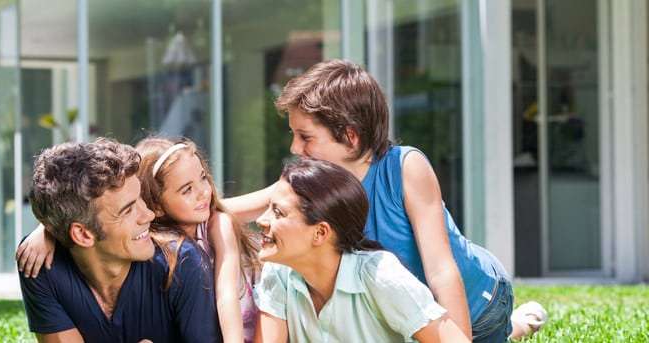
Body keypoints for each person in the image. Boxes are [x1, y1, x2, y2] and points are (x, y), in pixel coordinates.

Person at [225, 59, 546, 342]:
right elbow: (232, 209)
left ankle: (513, 325)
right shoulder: (313, 183)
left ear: (350, 137)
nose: (295, 148)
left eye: (306, 137)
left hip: (478, 302)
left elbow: (442, 270)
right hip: (406, 311)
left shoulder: (405, 168)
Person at [19, 137, 261, 343]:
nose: (148, 215)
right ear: (82, 234)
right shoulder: (39, 262)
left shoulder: (185, 260)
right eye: (127, 210)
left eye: (141, 199)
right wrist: (47, 228)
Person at [255, 158, 469, 342]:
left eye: (278, 212)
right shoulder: (278, 272)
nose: (260, 220)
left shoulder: (381, 276)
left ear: (320, 233)